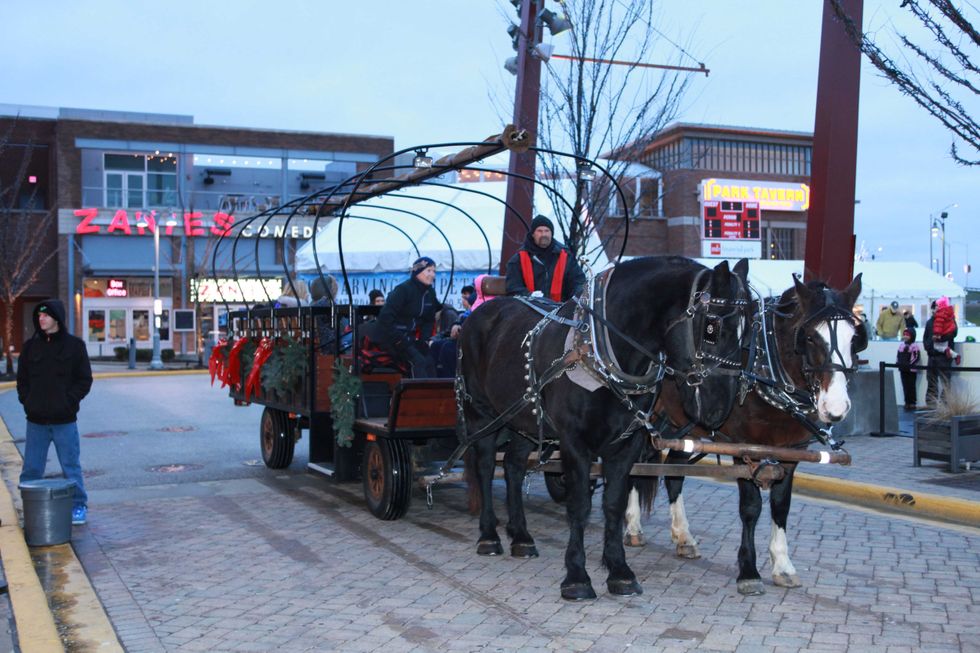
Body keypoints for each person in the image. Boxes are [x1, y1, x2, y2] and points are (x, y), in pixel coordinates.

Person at [17, 300, 93, 525]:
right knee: (31, 468)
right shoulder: (30, 347)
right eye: (39, 316)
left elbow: (84, 380)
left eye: (46, 316)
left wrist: (69, 402)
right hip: (36, 421)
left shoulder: (75, 346)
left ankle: (78, 505)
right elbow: (22, 381)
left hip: (64, 421)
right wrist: (28, 402)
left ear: (56, 319)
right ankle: (29, 507)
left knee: (71, 467)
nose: (41, 319)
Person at [376, 256, 442, 378]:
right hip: (393, 338)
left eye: (434, 271)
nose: (432, 275)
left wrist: (424, 339)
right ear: (417, 272)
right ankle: (418, 395)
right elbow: (385, 318)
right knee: (418, 361)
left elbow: (429, 319)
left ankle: (434, 395)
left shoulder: (430, 293)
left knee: (430, 361)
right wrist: (399, 339)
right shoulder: (403, 290)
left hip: (411, 338)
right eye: (429, 270)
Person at [505, 215, 586, 302]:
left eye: (547, 231)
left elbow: (578, 282)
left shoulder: (566, 256)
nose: (544, 234)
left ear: (551, 233)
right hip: (529, 309)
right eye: (539, 231)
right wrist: (529, 295)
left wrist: (574, 300)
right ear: (532, 234)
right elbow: (512, 287)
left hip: (559, 309)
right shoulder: (518, 259)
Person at [923, 299, 957, 405]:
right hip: (932, 357)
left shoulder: (949, 319)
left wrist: (939, 339)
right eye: (934, 307)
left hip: (944, 357)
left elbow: (953, 333)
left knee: (945, 383)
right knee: (931, 383)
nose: (935, 309)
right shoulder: (929, 322)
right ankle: (931, 407)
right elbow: (926, 338)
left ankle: (945, 406)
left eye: (937, 306)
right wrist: (929, 347)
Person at [896, 329, 920, 410]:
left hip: (911, 370)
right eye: (904, 335)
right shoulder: (901, 345)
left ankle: (912, 402)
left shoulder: (914, 346)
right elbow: (898, 355)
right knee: (905, 386)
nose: (905, 336)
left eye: (907, 335)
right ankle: (907, 402)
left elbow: (916, 357)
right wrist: (898, 363)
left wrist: (910, 364)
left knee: (911, 386)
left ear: (912, 336)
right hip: (903, 369)